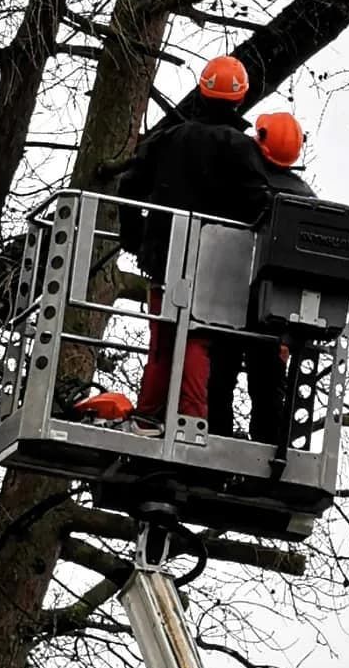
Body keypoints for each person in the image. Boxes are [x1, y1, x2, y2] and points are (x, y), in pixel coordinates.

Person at [116, 55, 271, 430]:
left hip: (162, 259)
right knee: (198, 339)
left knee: (163, 341)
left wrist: (134, 238)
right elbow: (259, 205)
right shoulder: (241, 148)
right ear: (239, 99)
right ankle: (190, 419)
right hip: (214, 265)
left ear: (201, 92)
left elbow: (128, 185)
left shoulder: (168, 139)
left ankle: (150, 415)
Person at [208, 111, 315, 445]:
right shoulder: (304, 198)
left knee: (220, 377)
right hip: (276, 307)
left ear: (261, 140)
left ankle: (215, 442)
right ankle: (269, 449)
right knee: (268, 383)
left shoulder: (242, 182)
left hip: (228, 294)